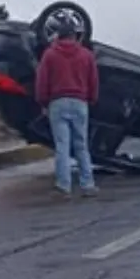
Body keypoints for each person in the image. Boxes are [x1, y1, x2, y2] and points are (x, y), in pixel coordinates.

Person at [35, 20, 99, 197]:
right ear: (74, 36)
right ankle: (88, 184)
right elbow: (93, 80)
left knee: (62, 146)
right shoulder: (86, 55)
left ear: (58, 37)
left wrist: (43, 102)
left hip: (57, 103)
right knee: (81, 145)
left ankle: (64, 186)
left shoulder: (50, 55)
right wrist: (91, 99)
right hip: (80, 102)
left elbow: (42, 81)